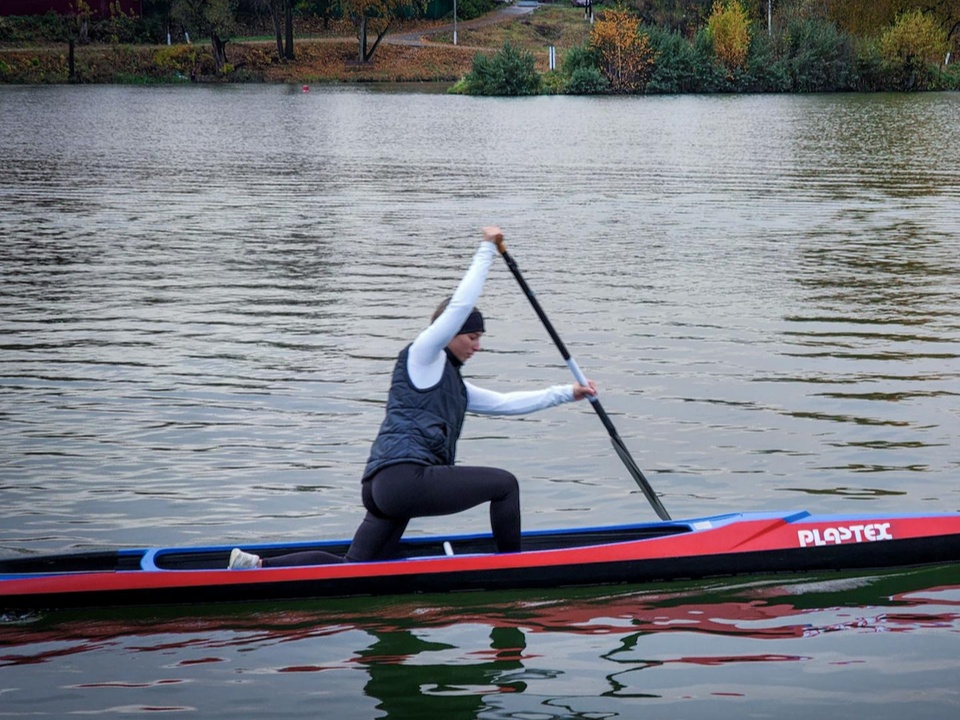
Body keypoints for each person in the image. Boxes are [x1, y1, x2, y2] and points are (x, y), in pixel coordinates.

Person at [229, 226, 596, 569]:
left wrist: (566, 393)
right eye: (472, 337)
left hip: (382, 487)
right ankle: (513, 569)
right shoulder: (424, 355)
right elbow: (458, 307)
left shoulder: (453, 386)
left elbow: (504, 403)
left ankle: (253, 568)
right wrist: (486, 250)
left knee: (355, 569)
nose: (477, 346)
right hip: (404, 480)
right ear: (451, 333)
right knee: (505, 485)